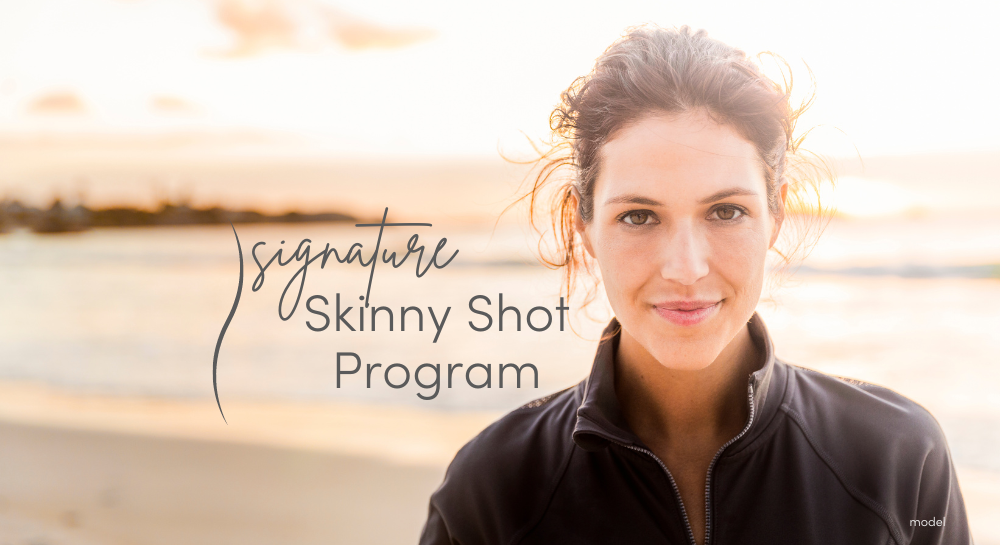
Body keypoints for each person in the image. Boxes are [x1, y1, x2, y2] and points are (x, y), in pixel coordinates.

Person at [419, 24, 971, 545]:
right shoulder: (491, 492)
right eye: (639, 216)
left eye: (726, 211)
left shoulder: (900, 460)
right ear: (582, 225)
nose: (686, 268)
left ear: (776, 217)